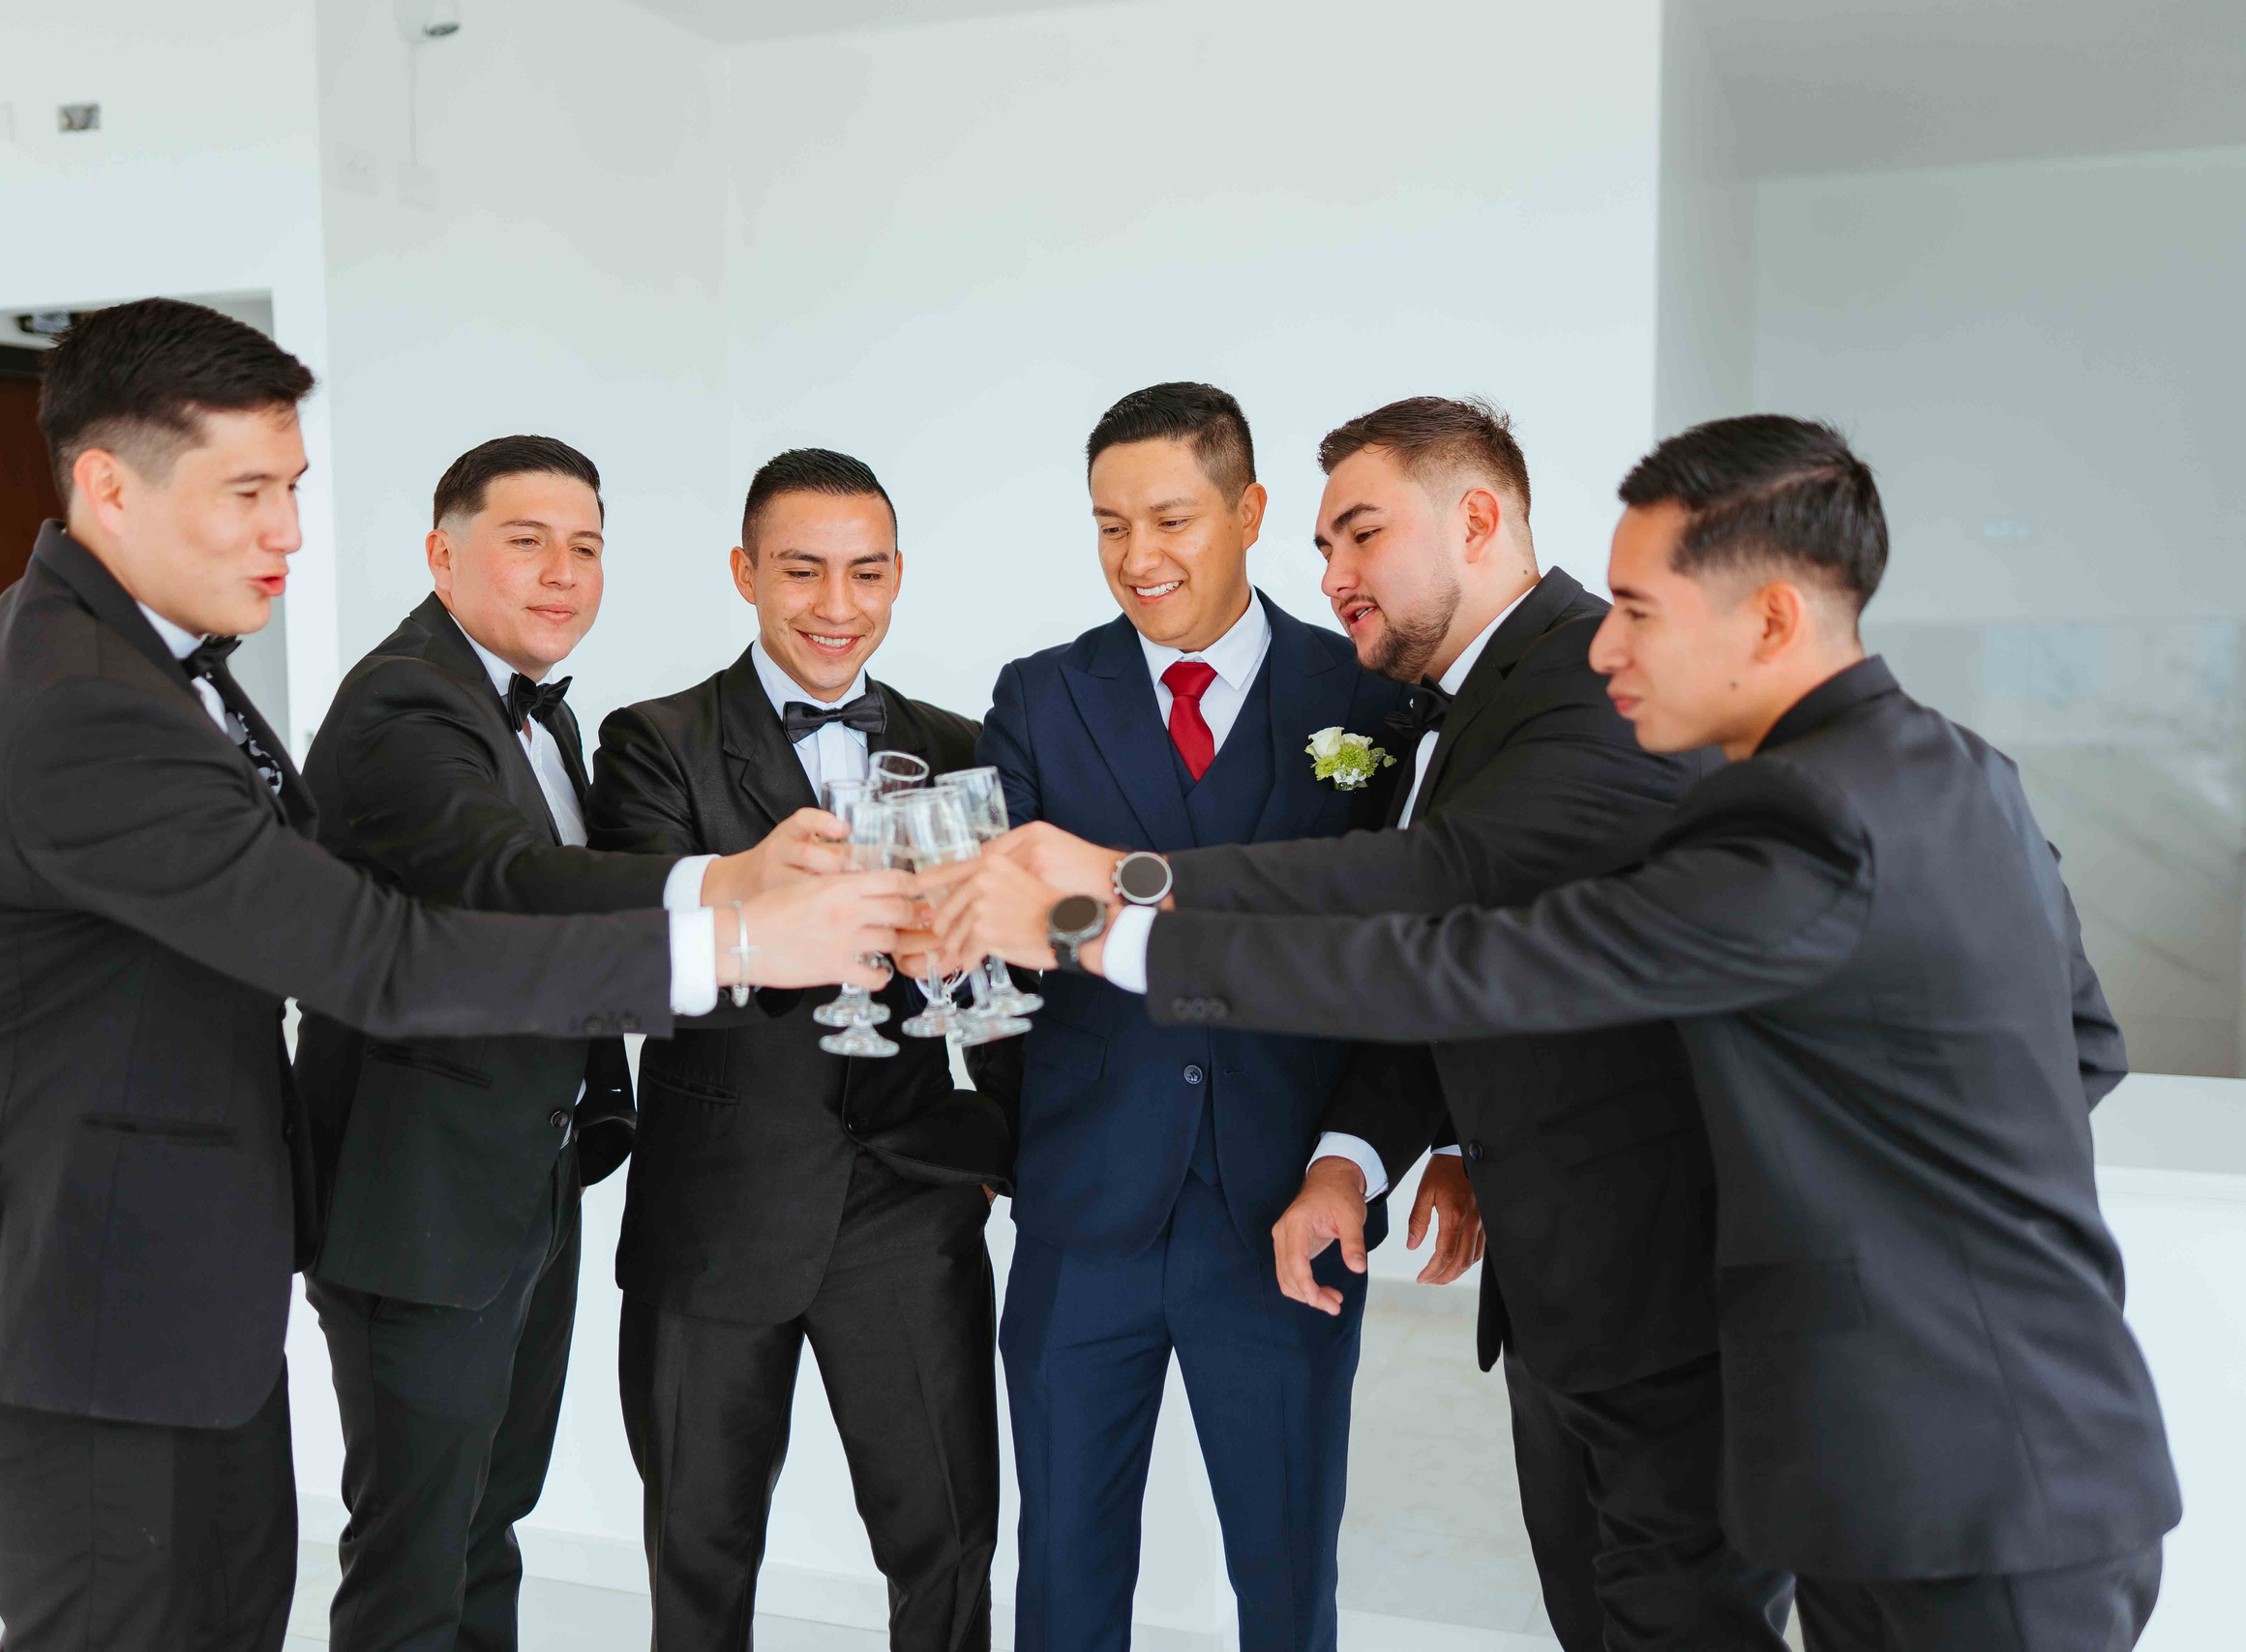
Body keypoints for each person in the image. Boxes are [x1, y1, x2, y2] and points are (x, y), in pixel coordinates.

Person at [934, 415, 2180, 1652]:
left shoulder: (1801, 816)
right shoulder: (1944, 772)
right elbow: (2079, 1046)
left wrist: (1115, 916)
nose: (1607, 638)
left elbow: (1469, 943)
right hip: (1952, 1448)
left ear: (1770, 619)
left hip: (1956, 1468)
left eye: (1638, 609)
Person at [0, 300, 908, 1652]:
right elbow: (376, 946)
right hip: (85, 1284)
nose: (290, 534)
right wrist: (730, 932)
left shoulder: (154, 664)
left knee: (261, 1599)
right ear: (106, 486)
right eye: (248, 493)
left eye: (293, 490)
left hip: (184, 1263)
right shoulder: (78, 698)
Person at [1175, 395, 1782, 1648]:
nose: (1332, 574)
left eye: (1360, 534)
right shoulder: (1471, 696)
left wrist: (1114, 904)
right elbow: (1490, 962)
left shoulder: (1596, 671)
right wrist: (1372, 1153)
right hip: (1567, 1277)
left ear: (1478, 515)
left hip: (1671, 1290)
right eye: (1323, 549)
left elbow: (1449, 883)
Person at [293, 435, 849, 1650]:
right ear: (442, 556)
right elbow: (506, 881)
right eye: (526, 541)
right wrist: (732, 887)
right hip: (417, 1202)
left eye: (586, 547)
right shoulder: (404, 702)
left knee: (489, 1518)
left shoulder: (537, 713)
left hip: (519, 1183)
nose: (563, 574)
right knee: (413, 1550)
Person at [973, 383, 1401, 1652]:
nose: (1137, 557)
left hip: (1284, 1204)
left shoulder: (1367, 698)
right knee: (1060, 1570)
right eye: (1109, 525)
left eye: (1169, 518)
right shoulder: (1042, 695)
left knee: (1286, 1576)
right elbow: (1003, 909)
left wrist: (1370, 1153)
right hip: (1083, 1202)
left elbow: (1396, 957)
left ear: (1252, 509)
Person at [585, 448, 1002, 1652]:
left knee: (949, 1543)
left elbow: (997, 982)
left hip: (910, 1209)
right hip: (713, 1211)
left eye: (864, 574)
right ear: (744, 573)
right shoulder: (653, 741)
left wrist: (998, 1142)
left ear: (897, 578)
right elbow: (641, 958)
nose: (836, 605)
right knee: (698, 1558)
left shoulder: (961, 744)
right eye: (803, 571)